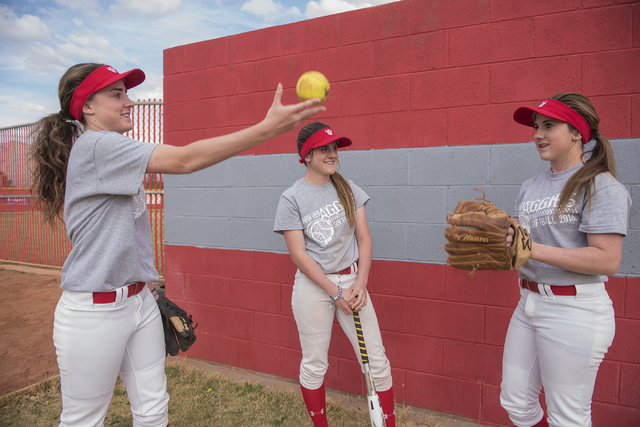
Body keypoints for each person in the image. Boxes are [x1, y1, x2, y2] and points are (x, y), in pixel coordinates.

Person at [30, 63, 324, 427]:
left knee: (154, 412)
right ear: (87, 107)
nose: (129, 102)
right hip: (94, 312)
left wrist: (147, 287)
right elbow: (184, 160)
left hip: (139, 301)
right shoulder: (97, 146)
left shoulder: (111, 147)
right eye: (117, 94)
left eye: (127, 93)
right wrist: (266, 129)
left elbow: (122, 233)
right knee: (83, 420)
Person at [500, 93, 631, 427]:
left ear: (577, 132)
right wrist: (498, 241)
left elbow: (607, 260)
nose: (537, 135)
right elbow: (521, 248)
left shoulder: (600, 184)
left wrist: (531, 248)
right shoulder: (531, 186)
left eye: (548, 126)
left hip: (575, 310)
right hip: (528, 301)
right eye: (535, 127)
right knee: (516, 402)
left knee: (567, 418)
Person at [273, 122, 395, 427]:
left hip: (353, 283)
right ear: (307, 155)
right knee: (315, 364)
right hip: (315, 287)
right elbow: (299, 255)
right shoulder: (292, 198)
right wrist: (333, 291)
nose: (332, 154)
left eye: (334, 148)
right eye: (324, 149)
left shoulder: (348, 187)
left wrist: (360, 282)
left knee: (377, 362)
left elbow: (364, 239)